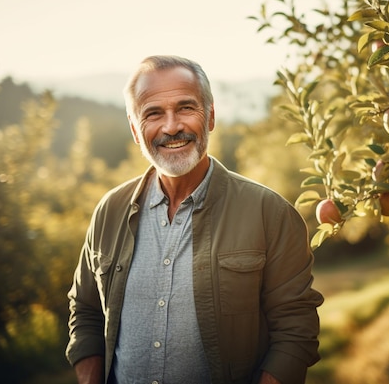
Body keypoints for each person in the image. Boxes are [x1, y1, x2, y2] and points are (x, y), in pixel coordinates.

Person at [65, 55, 324, 384]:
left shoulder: (269, 213)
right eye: (154, 113)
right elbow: (85, 309)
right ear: (134, 129)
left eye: (186, 108)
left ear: (211, 116)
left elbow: (295, 330)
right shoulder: (109, 211)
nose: (171, 127)